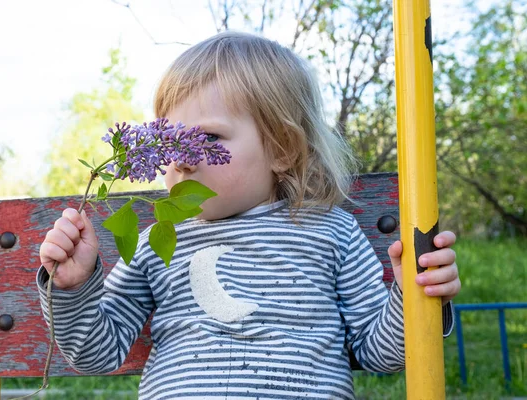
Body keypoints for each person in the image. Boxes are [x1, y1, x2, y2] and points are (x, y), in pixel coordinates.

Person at [37, 31, 461, 400]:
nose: (182, 160)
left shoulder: (330, 232)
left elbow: (380, 353)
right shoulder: (157, 241)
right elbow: (96, 352)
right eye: (170, 141)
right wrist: (72, 288)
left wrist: (414, 295)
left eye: (207, 137)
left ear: (282, 149)